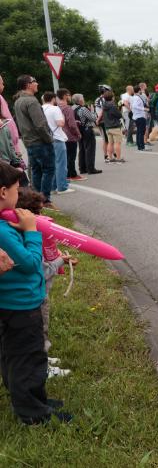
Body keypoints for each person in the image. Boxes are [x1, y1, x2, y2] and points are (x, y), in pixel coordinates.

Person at [0, 161, 72, 424]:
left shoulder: (4, 226)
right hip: (21, 306)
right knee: (28, 359)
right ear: (3, 192)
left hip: (12, 305)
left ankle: (35, 399)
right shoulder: (3, 231)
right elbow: (31, 265)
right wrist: (31, 232)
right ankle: (33, 413)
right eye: (17, 189)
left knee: (14, 356)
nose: (19, 195)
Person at [13, 76, 55, 207]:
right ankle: (45, 200)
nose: (37, 84)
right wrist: (49, 139)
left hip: (29, 141)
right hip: (40, 142)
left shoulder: (18, 101)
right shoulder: (31, 101)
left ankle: (36, 200)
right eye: (34, 82)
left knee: (36, 170)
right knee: (48, 169)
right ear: (27, 85)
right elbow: (40, 124)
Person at [41, 92, 73, 195]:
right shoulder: (55, 109)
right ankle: (62, 187)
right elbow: (60, 123)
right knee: (61, 163)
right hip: (57, 137)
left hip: (46, 138)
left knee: (52, 164)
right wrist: (62, 116)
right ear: (53, 99)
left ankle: (53, 186)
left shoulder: (40, 108)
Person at [56, 89, 83, 182]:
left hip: (61, 134)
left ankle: (66, 174)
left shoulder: (57, 107)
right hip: (70, 136)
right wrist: (78, 133)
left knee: (65, 157)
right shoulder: (67, 108)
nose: (70, 97)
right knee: (71, 156)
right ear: (64, 96)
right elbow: (71, 124)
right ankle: (72, 174)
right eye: (69, 95)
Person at [72, 94, 102, 175]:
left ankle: (82, 168)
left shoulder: (72, 108)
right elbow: (93, 118)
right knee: (90, 149)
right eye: (83, 98)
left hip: (79, 130)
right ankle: (91, 168)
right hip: (87, 129)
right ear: (80, 100)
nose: (84, 99)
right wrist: (92, 111)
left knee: (82, 149)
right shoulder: (83, 109)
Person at [101, 90, 125, 163]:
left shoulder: (104, 105)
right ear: (112, 97)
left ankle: (110, 157)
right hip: (115, 126)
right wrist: (120, 108)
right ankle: (118, 158)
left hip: (107, 126)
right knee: (117, 143)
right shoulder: (113, 106)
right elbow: (119, 115)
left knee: (110, 143)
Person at [130, 86, 150, 152]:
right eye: (140, 90)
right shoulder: (137, 98)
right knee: (141, 132)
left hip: (136, 116)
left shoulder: (133, 97)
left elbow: (132, 106)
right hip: (140, 116)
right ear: (139, 90)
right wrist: (144, 109)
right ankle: (141, 146)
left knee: (139, 131)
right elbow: (135, 106)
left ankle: (139, 146)